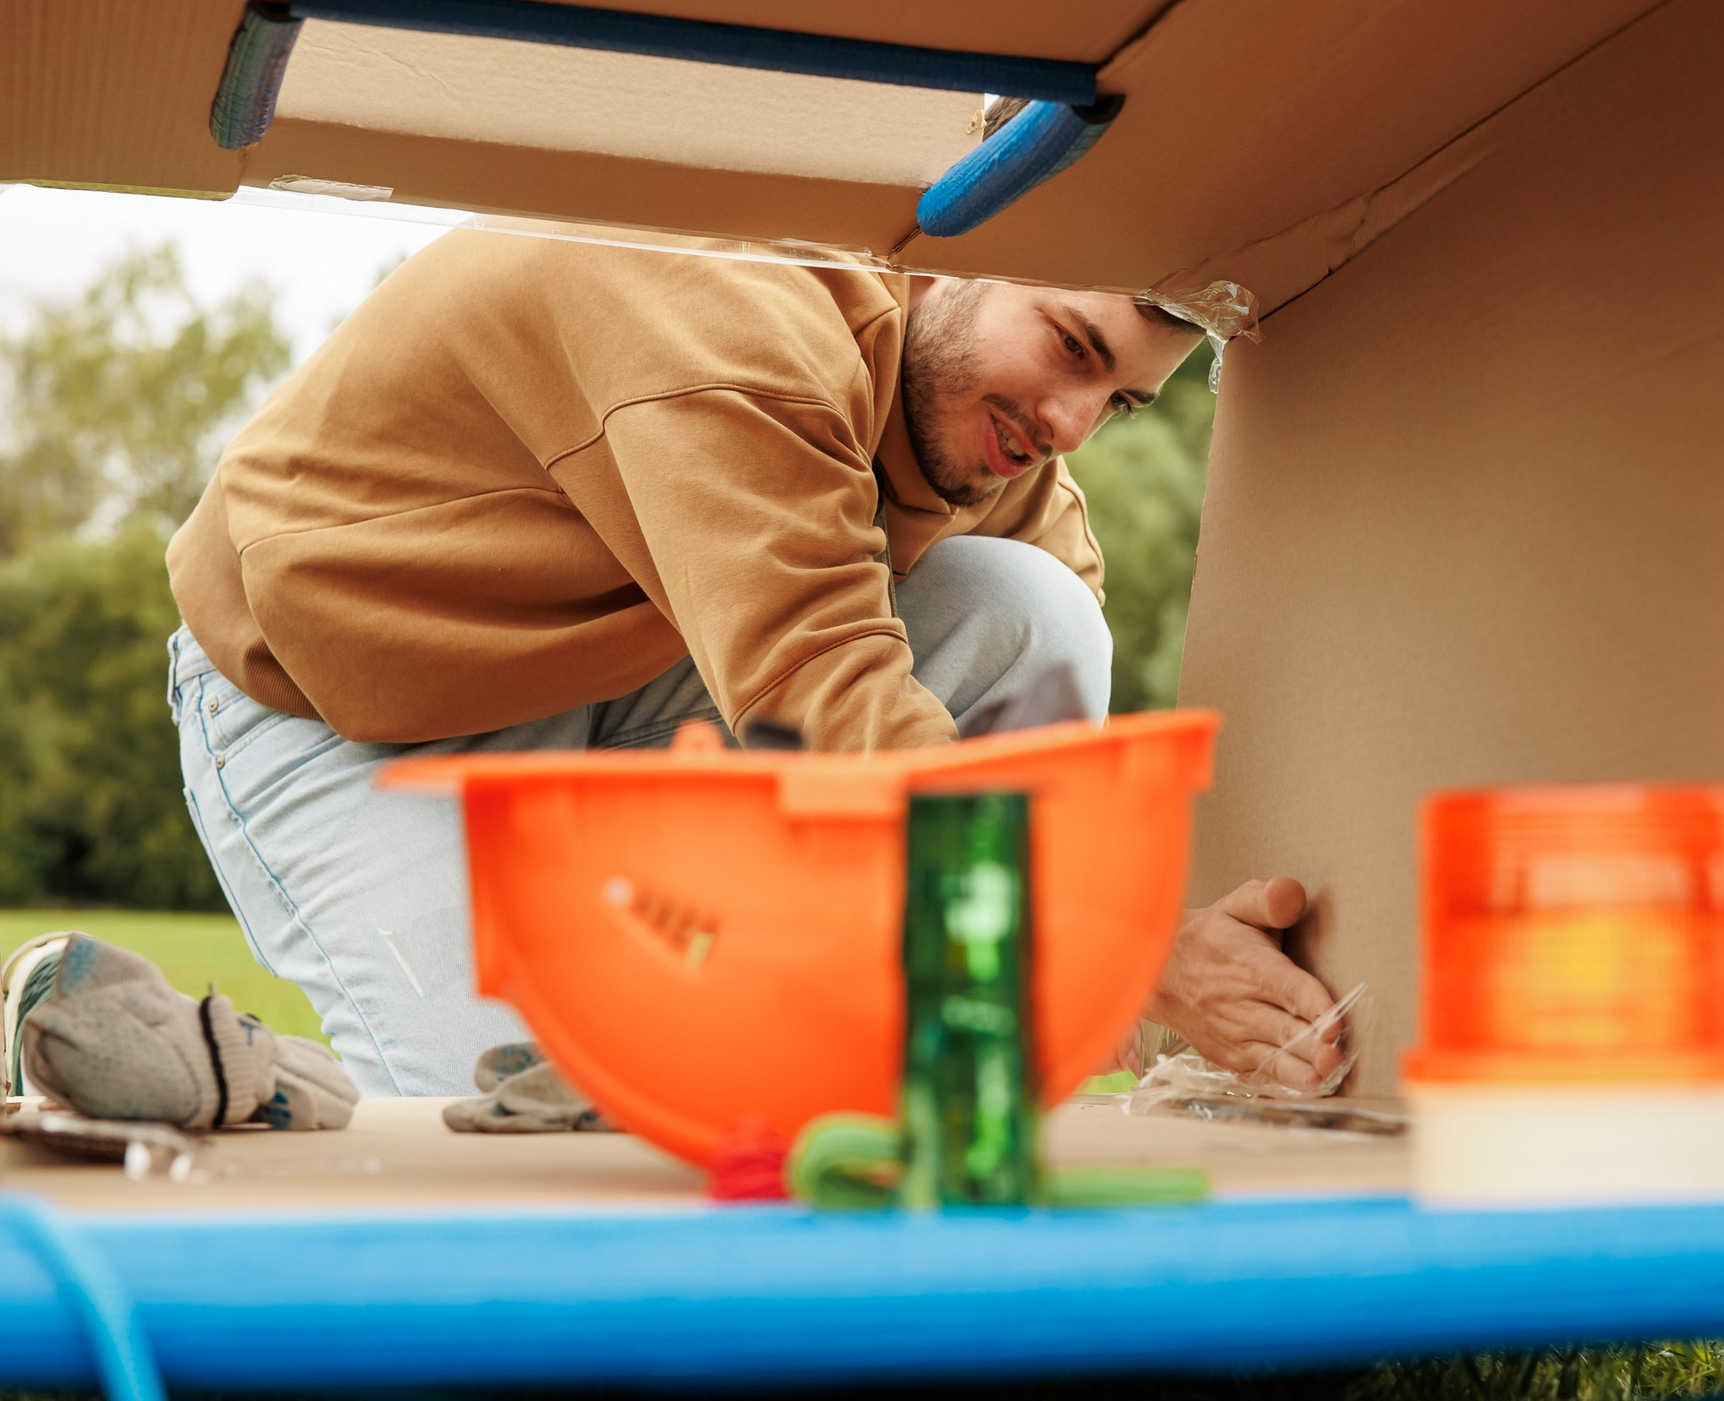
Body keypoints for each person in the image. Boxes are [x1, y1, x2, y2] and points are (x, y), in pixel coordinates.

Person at [165, 226, 1338, 1096]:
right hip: (347, 703)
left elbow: (1043, 720)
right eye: (1069, 346)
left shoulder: (1003, 447)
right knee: (509, 1123)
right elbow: (817, 685)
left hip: (619, 675)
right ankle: (179, 1061)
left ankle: (911, 1083)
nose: (1072, 424)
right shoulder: (733, 304)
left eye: (1119, 400)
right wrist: (1114, 943)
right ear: (956, 250)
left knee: (1031, 611)